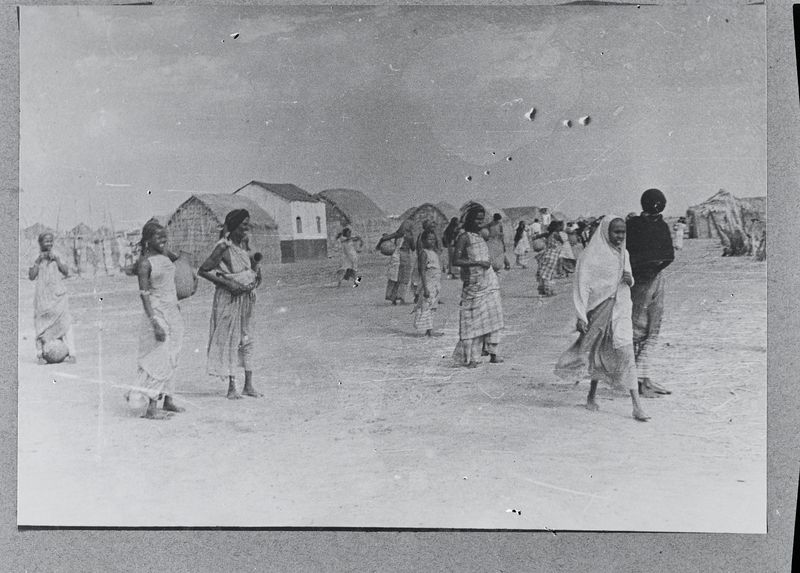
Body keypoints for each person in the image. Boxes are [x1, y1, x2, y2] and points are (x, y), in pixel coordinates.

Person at [555, 216, 650, 422]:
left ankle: (637, 406)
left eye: (623, 232)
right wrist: (581, 314)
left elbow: (629, 280)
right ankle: (591, 395)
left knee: (626, 351)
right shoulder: (591, 256)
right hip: (598, 312)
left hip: (621, 310)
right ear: (606, 231)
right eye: (616, 232)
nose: (620, 236)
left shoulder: (624, 254)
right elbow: (581, 286)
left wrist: (629, 279)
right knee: (598, 352)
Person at [199, 209, 262, 400]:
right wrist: (229, 283)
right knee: (231, 340)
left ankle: (248, 385)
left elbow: (253, 271)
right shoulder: (223, 247)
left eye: (248, 224)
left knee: (247, 339)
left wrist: (255, 278)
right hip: (229, 298)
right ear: (233, 225)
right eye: (243, 224)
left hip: (246, 299)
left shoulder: (245, 245)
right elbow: (203, 270)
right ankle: (231, 387)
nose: (246, 228)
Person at [128, 220, 185, 419]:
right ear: (147, 240)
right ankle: (151, 408)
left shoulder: (164, 255)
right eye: (158, 237)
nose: (163, 239)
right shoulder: (145, 263)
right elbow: (144, 294)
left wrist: (164, 249)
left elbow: (177, 260)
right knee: (160, 357)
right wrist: (155, 323)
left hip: (173, 311)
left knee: (173, 355)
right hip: (157, 312)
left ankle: (168, 399)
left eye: (164, 236)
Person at [626, 188, 675, 397]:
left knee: (651, 328)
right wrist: (651, 268)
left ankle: (644, 378)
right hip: (642, 281)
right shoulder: (638, 225)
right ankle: (636, 381)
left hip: (649, 280)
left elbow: (667, 254)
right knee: (639, 329)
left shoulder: (639, 225)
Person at [452, 203, 504, 367]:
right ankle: (471, 358)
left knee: (493, 317)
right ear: (470, 220)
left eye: (482, 219)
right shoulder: (464, 237)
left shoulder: (481, 236)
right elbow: (456, 260)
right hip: (474, 285)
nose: (480, 223)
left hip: (489, 282)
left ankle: (493, 352)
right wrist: (476, 262)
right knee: (472, 320)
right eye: (477, 219)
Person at [29, 232, 76, 364]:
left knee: (65, 322)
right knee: (41, 325)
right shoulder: (35, 256)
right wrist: (38, 261)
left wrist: (57, 260)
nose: (49, 244)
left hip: (58, 295)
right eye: (46, 241)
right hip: (43, 297)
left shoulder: (58, 253)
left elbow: (66, 271)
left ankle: (71, 353)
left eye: (51, 241)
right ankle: (41, 355)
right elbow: (31, 276)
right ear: (40, 243)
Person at [413, 229, 444, 337]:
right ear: (424, 240)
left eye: (433, 239)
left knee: (432, 305)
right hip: (428, 282)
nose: (432, 241)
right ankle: (428, 329)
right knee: (426, 305)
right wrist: (425, 288)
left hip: (435, 283)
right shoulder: (424, 253)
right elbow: (421, 270)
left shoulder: (434, 253)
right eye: (429, 239)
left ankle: (429, 329)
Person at [377, 220, 415, 305]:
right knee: (404, 278)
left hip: (396, 256)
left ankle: (392, 298)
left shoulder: (397, 234)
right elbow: (413, 248)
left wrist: (380, 245)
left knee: (395, 277)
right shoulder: (409, 236)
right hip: (405, 256)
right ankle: (401, 298)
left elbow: (384, 238)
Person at [534, 221, 564, 296]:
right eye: (560, 226)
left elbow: (538, 236)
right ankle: (548, 291)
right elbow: (562, 242)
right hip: (552, 255)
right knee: (548, 274)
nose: (562, 227)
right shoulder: (556, 234)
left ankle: (542, 290)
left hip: (546, 254)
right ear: (556, 227)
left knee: (544, 273)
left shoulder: (548, 234)